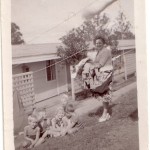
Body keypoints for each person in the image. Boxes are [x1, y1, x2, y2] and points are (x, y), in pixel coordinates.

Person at [75, 35, 113, 122]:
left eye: (100, 43)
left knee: (100, 90)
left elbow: (100, 64)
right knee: (102, 93)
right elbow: (96, 63)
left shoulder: (105, 51)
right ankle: (106, 113)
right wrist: (85, 61)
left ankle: (105, 113)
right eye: (96, 43)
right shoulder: (99, 52)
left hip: (106, 73)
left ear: (103, 43)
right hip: (101, 73)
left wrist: (88, 66)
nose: (98, 44)